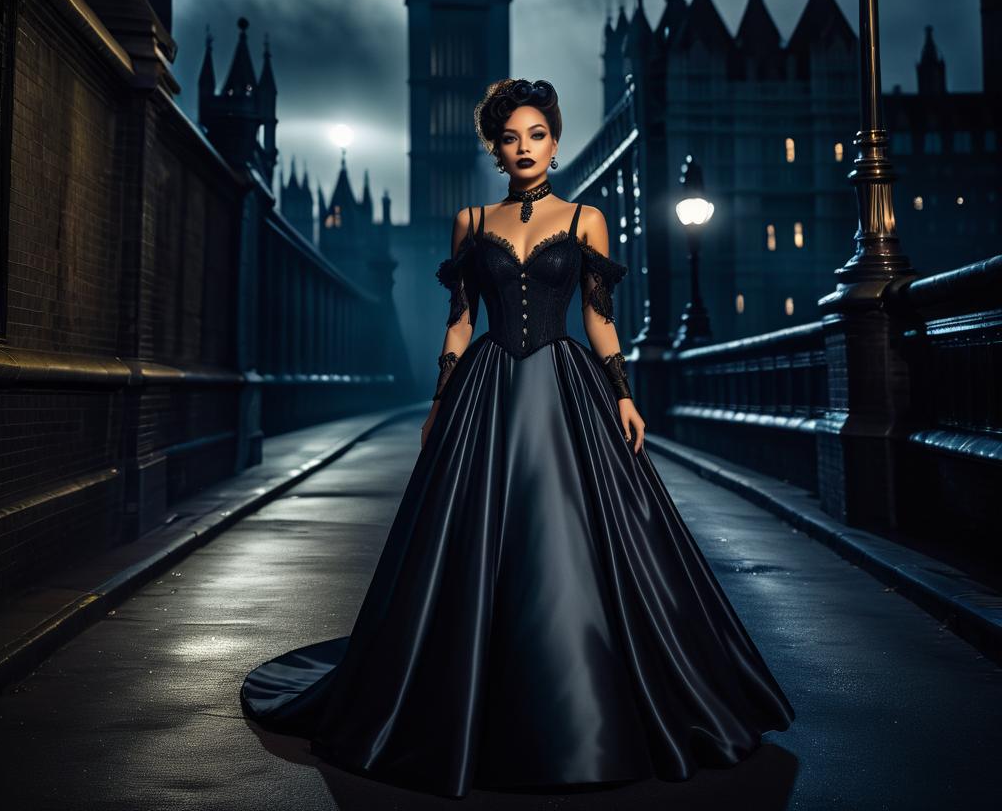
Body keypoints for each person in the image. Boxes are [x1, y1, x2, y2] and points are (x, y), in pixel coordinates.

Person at [240, 78, 795, 798]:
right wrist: (442, 401)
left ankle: (582, 700)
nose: (525, 147)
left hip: (567, 388)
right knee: (474, 543)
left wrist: (624, 395)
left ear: (554, 143)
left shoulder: (587, 219)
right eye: (512, 137)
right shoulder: (471, 221)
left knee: (570, 540)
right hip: (486, 388)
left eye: (537, 135)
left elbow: (597, 319)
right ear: (496, 148)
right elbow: (460, 320)